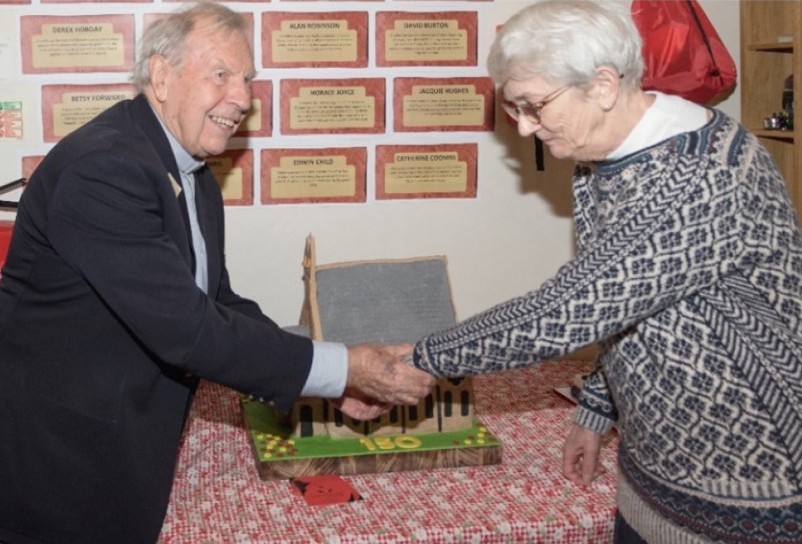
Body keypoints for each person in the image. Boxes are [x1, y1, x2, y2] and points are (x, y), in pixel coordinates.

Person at [0, 3, 435, 543]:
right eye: (221, 75)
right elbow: (187, 330)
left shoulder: (190, 169)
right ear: (161, 75)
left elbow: (217, 302)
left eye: (247, 80)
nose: (243, 99)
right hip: (63, 455)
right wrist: (343, 367)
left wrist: (326, 381)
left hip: (124, 432)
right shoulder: (106, 168)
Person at [410, 1, 802, 543]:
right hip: (655, 479)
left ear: (602, 84)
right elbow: (627, 307)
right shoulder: (604, 157)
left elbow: (568, 311)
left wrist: (415, 360)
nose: (524, 128)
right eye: (515, 108)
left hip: (746, 493)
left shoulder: (699, 174)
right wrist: (596, 407)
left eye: (534, 105)